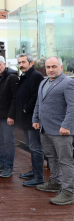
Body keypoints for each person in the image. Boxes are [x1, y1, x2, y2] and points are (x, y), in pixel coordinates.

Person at [33, 56, 74, 205]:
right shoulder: (43, 82)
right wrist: (35, 119)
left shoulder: (68, 83)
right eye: (48, 67)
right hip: (45, 128)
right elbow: (39, 103)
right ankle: (55, 182)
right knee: (51, 157)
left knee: (66, 160)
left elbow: (72, 107)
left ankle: (69, 191)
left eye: (54, 67)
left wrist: (67, 125)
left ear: (61, 67)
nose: (51, 69)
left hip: (61, 130)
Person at [15, 53, 45, 187]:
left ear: (31, 63)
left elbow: (36, 97)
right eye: (19, 62)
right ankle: (34, 171)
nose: (21, 65)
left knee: (36, 147)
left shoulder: (36, 76)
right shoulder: (24, 76)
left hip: (33, 118)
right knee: (31, 147)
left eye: (23, 62)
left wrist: (25, 109)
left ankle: (39, 177)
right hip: (25, 119)